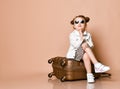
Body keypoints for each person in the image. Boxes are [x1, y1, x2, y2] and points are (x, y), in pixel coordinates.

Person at [66, 15, 110, 83]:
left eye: (82, 22)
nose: (79, 24)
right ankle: (97, 64)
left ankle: (89, 75)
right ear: (74, 26)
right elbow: (75, 45)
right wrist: (81, 38)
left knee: (86, 55)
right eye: (76, 22)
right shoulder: (72, 35)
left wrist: (85, 40)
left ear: (85, 25)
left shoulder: (88, 34)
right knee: (84, 44)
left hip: (84, 53)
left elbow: (91, 46)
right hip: (74, 55)